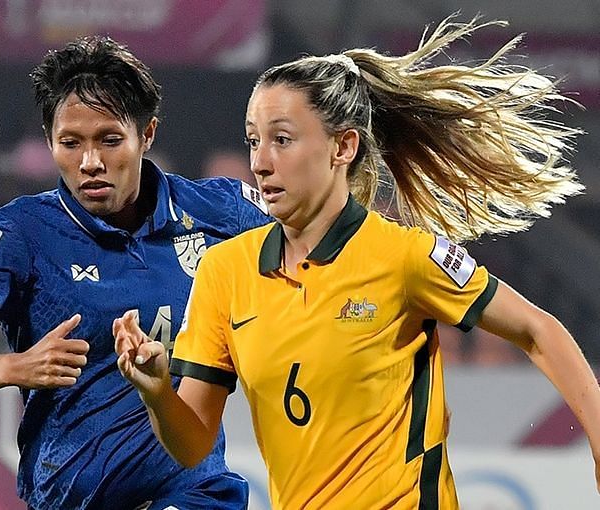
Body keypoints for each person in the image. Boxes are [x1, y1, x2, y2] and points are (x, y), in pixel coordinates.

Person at [114, 16, 600, 509]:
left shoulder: (404, 256)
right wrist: (156, 391)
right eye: (253, 140)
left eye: (282, 139)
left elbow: (539, 331)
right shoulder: (224, 271)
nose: (261, 161)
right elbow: (193, 444)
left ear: (342, 147)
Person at [0, 35, 271, 510]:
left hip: (191, 491)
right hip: (72, 494)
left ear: (148, 134)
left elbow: (322, 234)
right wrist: (17, 366)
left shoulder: (217, 210)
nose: (90, 162)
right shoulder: (21, 232)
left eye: (110, 140)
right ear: (48, 142)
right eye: (70, 143)